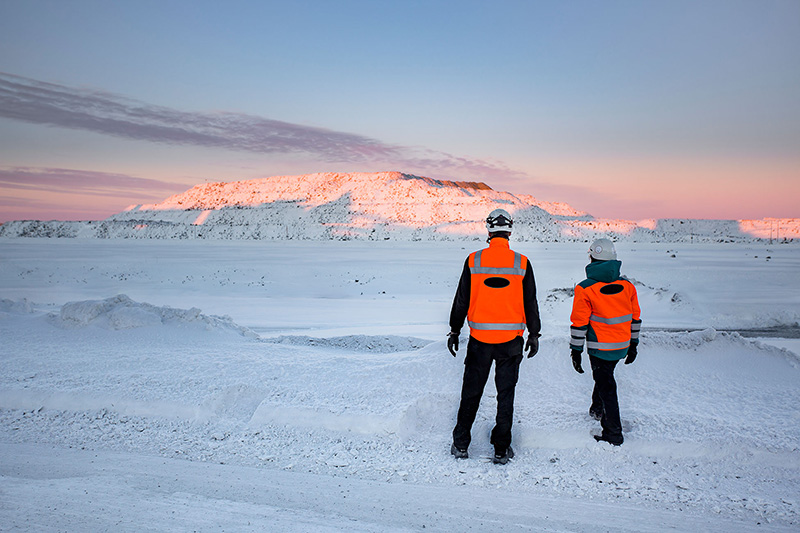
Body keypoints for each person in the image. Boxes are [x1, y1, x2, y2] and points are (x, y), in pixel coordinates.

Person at [447, 208, 541, 464]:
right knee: (505, 395)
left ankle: (461, 444)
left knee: (471, 393)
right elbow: (530, 301)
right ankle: (501, 448)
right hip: (511, 343)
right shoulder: (521, 263)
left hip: (480, 342)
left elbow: (461, 300)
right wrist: (534, 333)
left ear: (488, 230)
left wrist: (454, 329)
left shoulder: (474, 260)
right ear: (509, 231)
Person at [569, 238, 641, 446]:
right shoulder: (627, 286)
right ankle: (596, 409)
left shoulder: (585, 289)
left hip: (599, 347)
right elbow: (635, 317)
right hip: (622, 346)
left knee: (606, 383)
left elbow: (579, 322)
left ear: (592, 258)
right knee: (605, 375)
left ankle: (613, 433)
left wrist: (575, 350)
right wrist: (633, 344)